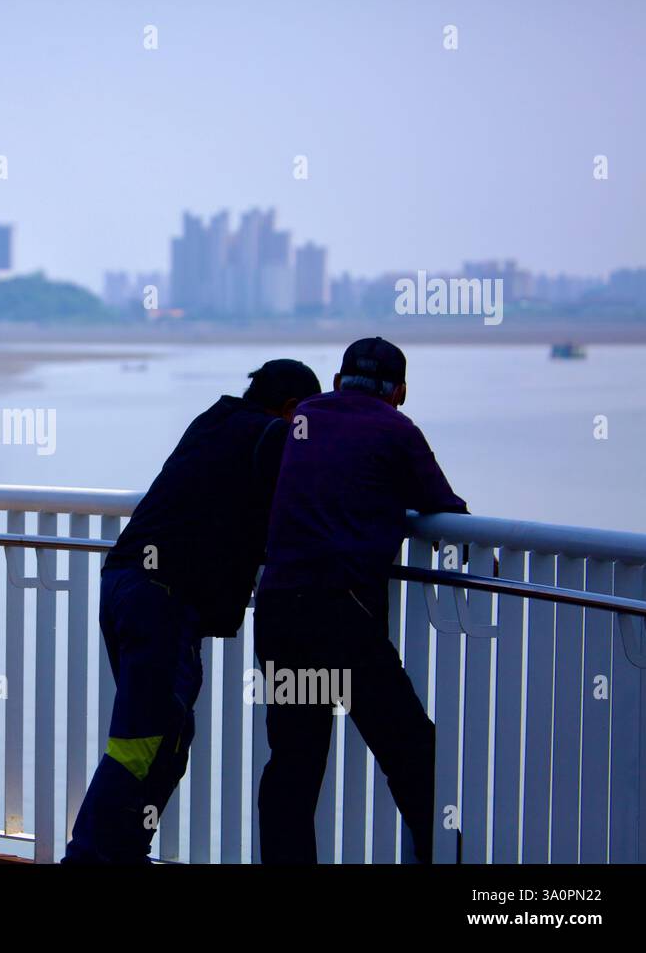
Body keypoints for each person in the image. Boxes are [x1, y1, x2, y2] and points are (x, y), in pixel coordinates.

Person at [64, 358, 323, 863]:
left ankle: (122, 850)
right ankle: (89, 858)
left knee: (167, 737)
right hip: (161, 598)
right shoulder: (270, 436)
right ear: (292, 408)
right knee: (143, 743)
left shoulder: (214, 421)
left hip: (125, 583)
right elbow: (293, 507)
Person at [254, 337, 467, 864]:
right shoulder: (395, 429)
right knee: (413, 752)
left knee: (294, 762)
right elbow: (445, 510)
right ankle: (444, 860)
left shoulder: (299, 419)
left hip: (280, 609)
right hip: (343, 618)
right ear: (400, 391)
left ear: (335, 382)